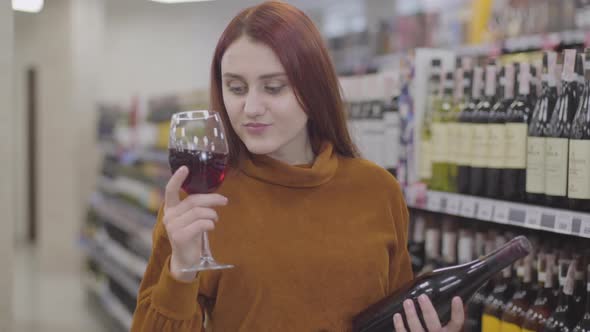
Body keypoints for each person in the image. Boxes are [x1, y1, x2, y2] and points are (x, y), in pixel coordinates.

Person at [131, 1, 464, 331]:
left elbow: (395, 319)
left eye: (273, 88)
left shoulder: (377, 191)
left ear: (313, 87)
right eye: (235, 88)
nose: (251, 107)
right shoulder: (197, 203)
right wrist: (182, 271)